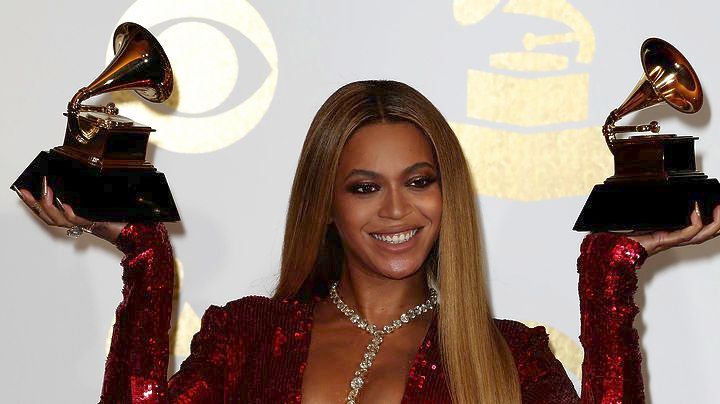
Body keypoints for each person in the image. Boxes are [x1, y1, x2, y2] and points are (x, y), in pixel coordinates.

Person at [14, 80, 720, 403]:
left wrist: (609, 273)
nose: (396, 209)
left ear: (447, 195)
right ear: (325, 205)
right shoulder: (245, 338)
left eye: (419, 181)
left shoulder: (513, 358)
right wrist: (146, 262)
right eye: (363, 187)